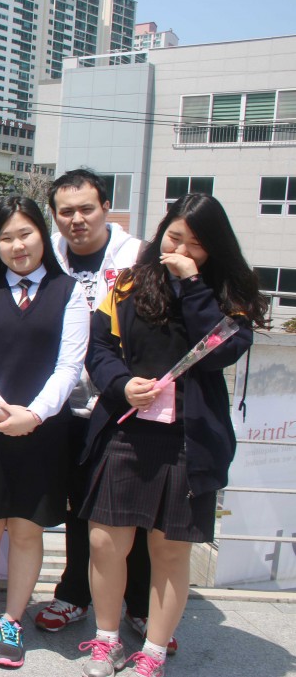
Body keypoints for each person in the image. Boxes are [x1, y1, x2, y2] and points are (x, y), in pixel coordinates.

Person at [77, 193, 266, 677]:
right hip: (126, 430)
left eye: (194, 244)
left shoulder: (230, 295)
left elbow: (220, 350)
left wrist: (192, 284)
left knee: (170, 549)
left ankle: (154, 651)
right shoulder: (127, 283)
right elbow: (99, 348)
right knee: (104, 541)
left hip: (189, 440)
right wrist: (122, 384)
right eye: (173, 237)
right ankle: (106, 640)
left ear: (213, 248)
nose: (179, 250)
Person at [0, 197, 88, 669]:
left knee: (27, 529)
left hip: (43, 431)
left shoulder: (69, 292)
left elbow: (70, 366)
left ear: (43, 236)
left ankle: (12, 620)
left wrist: (36, 414)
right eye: (6, 238)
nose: (17, 245)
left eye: (25, 234)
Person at [34, 169, 172, 652]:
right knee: (77, 506)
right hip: (60, 405)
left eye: (86, 209)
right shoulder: (46, 255)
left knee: (131, 511)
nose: (76, 220)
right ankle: (74, 594)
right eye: (65, 211)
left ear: (106, 207)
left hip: (121, 406)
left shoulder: (138, 257)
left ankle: (140, 604)